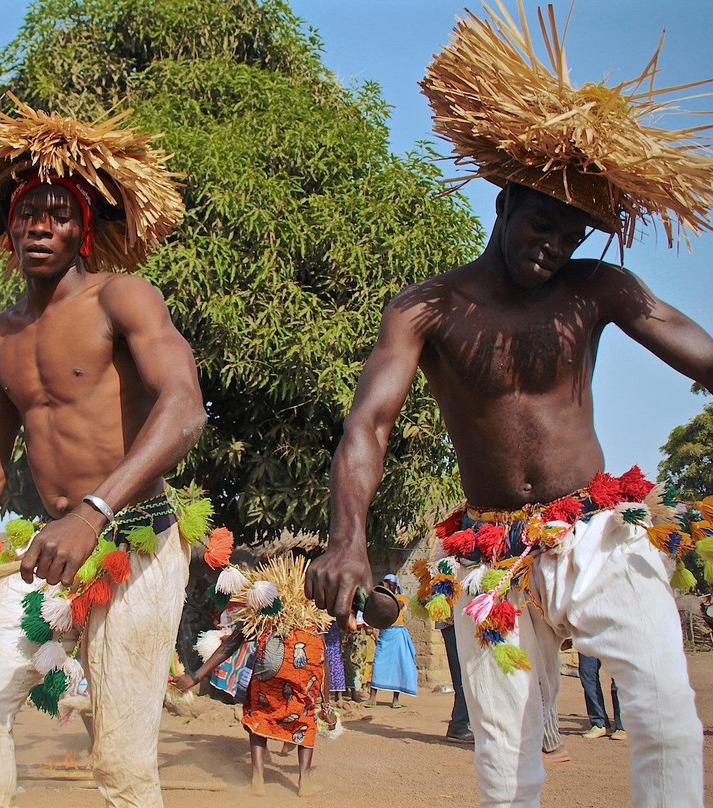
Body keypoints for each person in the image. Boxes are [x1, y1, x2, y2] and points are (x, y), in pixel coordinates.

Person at [305, 7, 713, 807]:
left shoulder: (595, 290)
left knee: (666, 706)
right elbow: (369, 425)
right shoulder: (426, 309)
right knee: (502, 754)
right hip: (489, 553)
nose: (554, 245)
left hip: (597, 533)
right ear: (503, 204)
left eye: (573, 233)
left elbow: (697, 348)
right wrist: (346, 538)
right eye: (542, 223)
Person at [0, 97, 206, 808]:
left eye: (59, 214)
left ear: (84, 230)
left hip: (137, 539)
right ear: (7, 230)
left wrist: (94, 511)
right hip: (49, 550)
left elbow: (185, 409)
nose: (41, 226)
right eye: (27, 214)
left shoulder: (121, 298)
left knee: (121, 764)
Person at [175, 555, 336, 798]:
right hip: (304, 677)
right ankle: (305, 782)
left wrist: (196, 676)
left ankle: (257, 780)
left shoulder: (261, 614)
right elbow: (323, 662)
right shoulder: (311, 618)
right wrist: (327, 705)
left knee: (259, 715)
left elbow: (229, 645)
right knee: (305, 719)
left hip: (268, 674)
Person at [366, 574, 416, 708]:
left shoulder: (401, 598)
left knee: (398, 665)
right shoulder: (382, 598)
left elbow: (396, 606)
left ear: (395, 585)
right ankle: (372, 698)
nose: (387, 585)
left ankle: (395, 699)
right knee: (378, 663)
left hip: (397, 634)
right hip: (385, 633)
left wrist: (385, 596)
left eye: (389, 583)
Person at [578, 652, 625, 741]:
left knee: (618, 675)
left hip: (617, 643)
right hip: (588, 643)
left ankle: (622, 726)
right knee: (587, 672)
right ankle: (600, 724)